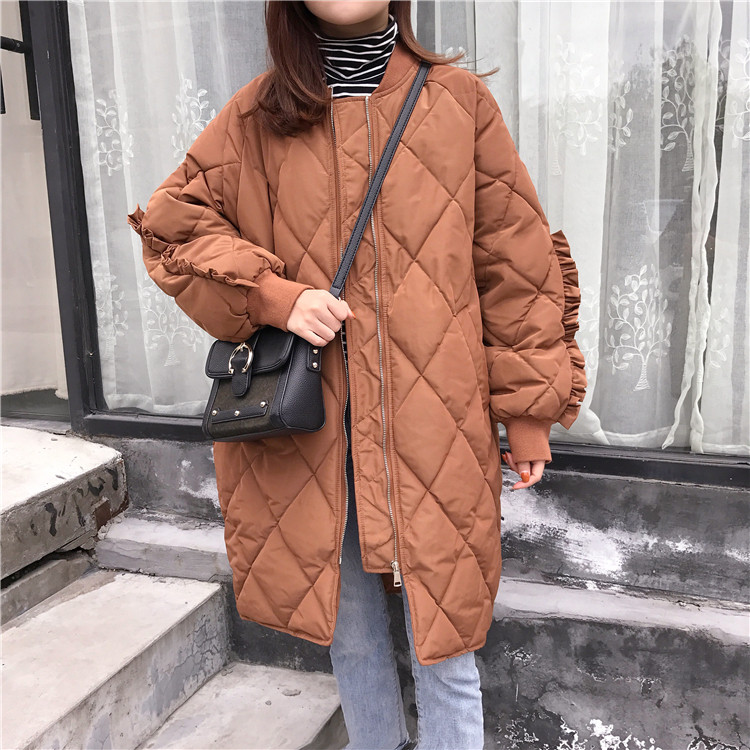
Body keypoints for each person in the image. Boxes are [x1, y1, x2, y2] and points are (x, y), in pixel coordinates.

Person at [126, 2, 587, 749]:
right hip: (311, 432)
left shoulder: (459, 104)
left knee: (447, 640)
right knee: (355, 637)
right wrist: (276, 297)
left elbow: (516, 263)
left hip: (434, 425)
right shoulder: (257, 116)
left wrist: (528, 411)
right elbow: (173, 227)